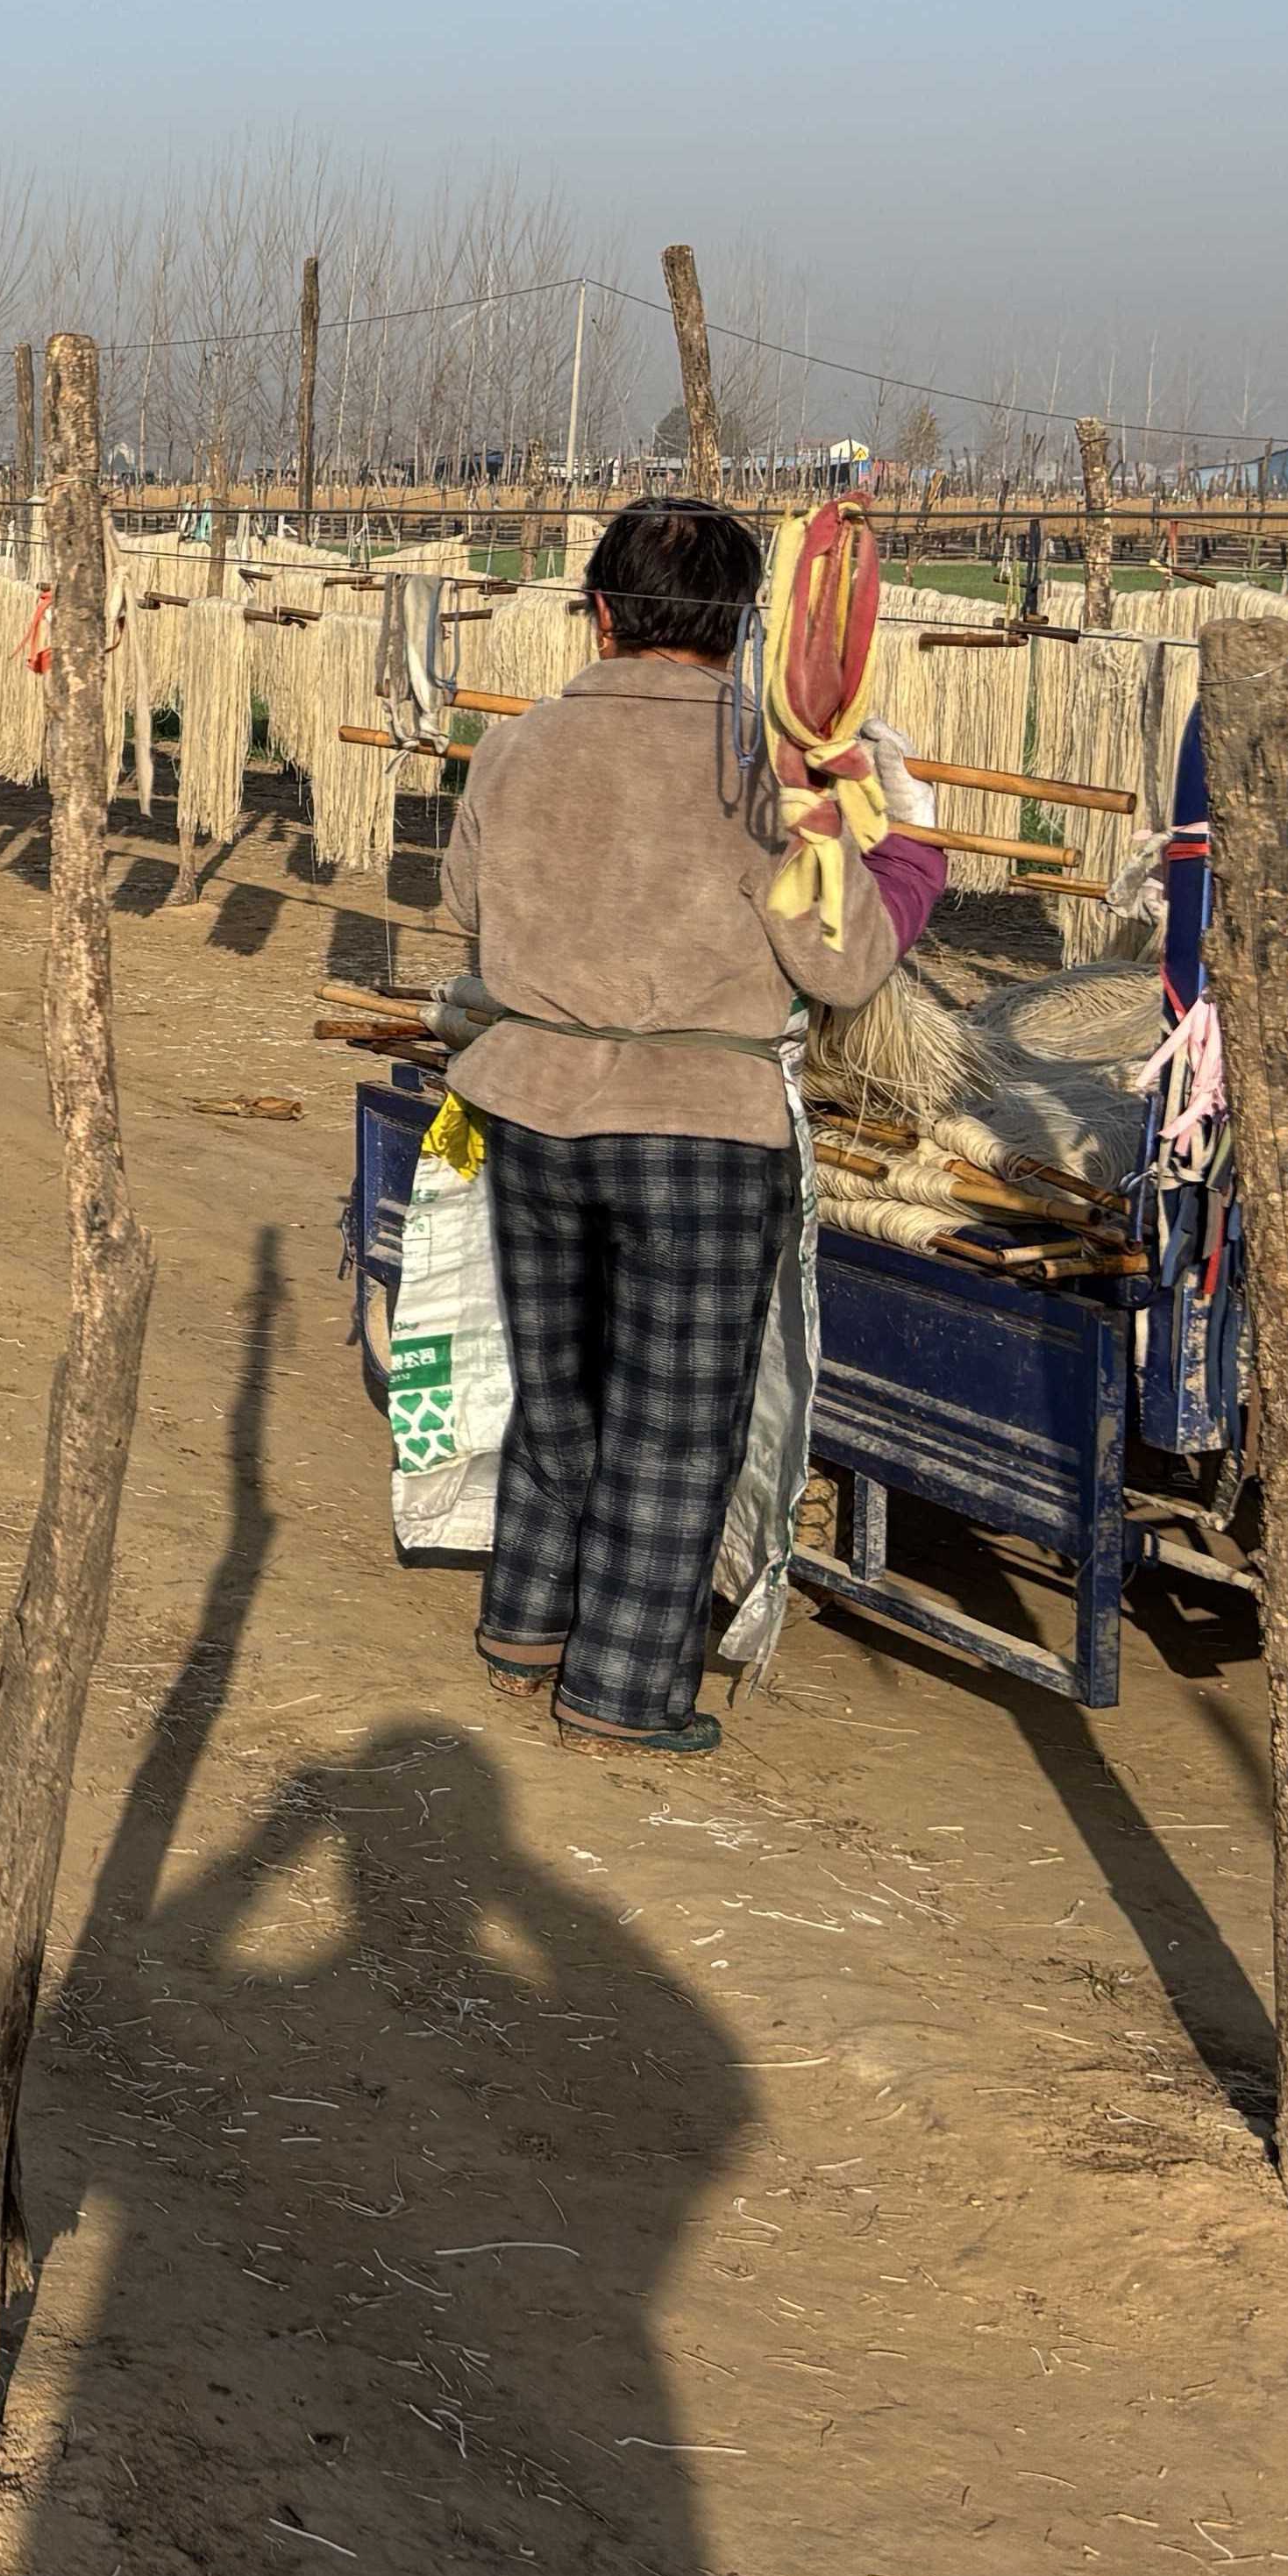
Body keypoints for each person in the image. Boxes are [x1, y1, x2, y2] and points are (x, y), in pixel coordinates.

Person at [440, 496, 942, 1760]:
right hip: (700, 1133)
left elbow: (464, 907)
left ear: (601, 612)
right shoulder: (772, 776)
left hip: (530, 1109)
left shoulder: (514, 746)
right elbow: (843, 965)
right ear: (739, 624)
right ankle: (619, 1691)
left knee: (559, 1385)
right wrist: (908, 852)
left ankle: (527, 1626)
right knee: (672, 1420)